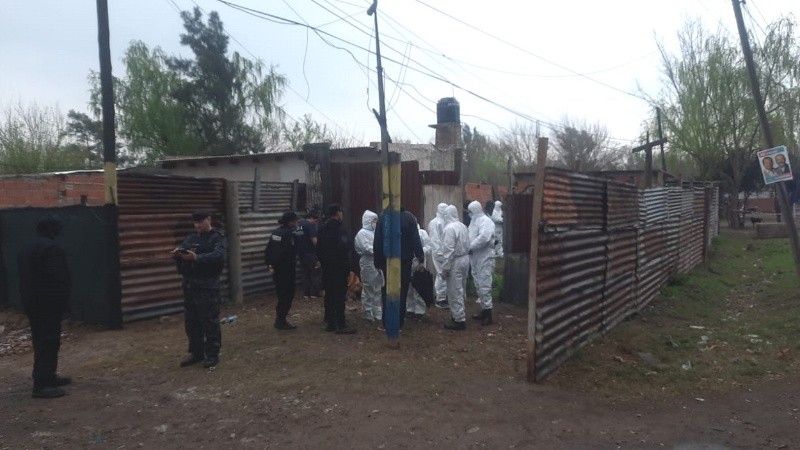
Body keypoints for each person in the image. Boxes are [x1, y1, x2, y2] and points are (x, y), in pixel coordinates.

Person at [17, 214, 72, 398]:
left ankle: (49, 377)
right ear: (51, 229)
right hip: (48, 304)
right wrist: (64, 303)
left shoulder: (27, 247)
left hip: (32, 303)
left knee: (41, 340)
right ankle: (42, 385)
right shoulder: (52, 248)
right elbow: (58, 278)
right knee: (48, 341)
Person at [173, 211, 227, 369]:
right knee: (191, 322)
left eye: (200, 222)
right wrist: (178, 253)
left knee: (210, 321)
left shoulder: (218, 238)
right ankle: (196, 353)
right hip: (190, 285)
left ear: (209, 220)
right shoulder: (191, 238)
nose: (197, 225)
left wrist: (197, 258)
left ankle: (212, 354)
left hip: (207, 285)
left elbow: (219, 256)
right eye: (195, 223)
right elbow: (183, 250)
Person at [374, 208, 425, 331]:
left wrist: (377, 261)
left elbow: (378, 240)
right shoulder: (409, 217)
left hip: (387, 261)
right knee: (402, 291)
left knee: (387, 291)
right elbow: (415, 239)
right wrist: (420, 257)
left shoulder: (383, 217)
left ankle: (387, 322)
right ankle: (399, 323)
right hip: (405, 260)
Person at [316, 204, 357, 334]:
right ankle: (341, 324)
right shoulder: (340, 229)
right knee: (339, 296)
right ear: (338, 213)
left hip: (327, 267)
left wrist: (324, 261)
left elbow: (318, 248)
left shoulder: (322, 228)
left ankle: (330, 322)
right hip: (339, 267)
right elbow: (345, 247)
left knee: (329, 294)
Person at [435, 205, 470, 330]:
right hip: (465, 259)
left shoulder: (449, 228)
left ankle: (459, 319)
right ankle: (459, 314)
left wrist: (445, 268)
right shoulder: (462, 226)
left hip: (455, 261)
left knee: (454, 291)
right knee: (461, 288)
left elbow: (448, 250)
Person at [264, 211, 299, 330]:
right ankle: (281, 320)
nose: (297, 223)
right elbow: (286, 252)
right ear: (291, 222)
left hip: (276, 269)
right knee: (288, 294)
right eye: (295, 221)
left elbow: (269, 249)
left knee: (281, 293)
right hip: (286, 269)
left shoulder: (276, 232)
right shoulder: (290, 234)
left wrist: (270, 265)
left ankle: (280, 318)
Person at [467, 200, 496, 326]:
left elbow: (484, 238)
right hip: (475, 257)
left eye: (470, 211)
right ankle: (484, 310)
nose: (469, 213)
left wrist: (470, 246)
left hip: (485, 257)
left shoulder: (486, 221)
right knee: (478, 284)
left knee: (484, 284)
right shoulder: (474, 221)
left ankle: (488, 314)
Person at [354, 210, 382, 322]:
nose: (376, 222)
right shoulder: (362, 233)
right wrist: (378, 250)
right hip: (367, 261)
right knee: (369, 287)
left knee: (378, 287)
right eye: (374, 220)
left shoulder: (376, 232)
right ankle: (367, 311)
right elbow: (366, 248)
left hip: (377, 262)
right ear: (368, 220)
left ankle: (377, 311)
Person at [406, 222, 432, 320]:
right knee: (408, 288)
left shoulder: (422, 233)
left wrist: (419, 251)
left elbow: (429, 247)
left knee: (419, 287)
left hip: (418, 263)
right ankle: (410, 309)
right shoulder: (405, 232)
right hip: (407, 262)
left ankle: (419, 311)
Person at [295, 210, 322, 299]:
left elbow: (297, 238)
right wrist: (320, 252)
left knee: (305, 272)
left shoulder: (299, 226)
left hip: (301, 253)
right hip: (311, 253)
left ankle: (306, 293)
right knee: (315, 271)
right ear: (311, 218)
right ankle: (314, 293)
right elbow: (314, 240)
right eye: (315, 221)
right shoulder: (309, 226)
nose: (315, 223)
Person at [427, 203, 449, 309]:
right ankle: (440, 299)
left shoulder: (443, 221)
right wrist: (440, 253)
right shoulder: (435, 222)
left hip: (443, 252)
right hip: (439, 252)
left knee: (443, 274)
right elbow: (435, 239)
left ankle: (441, 296)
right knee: (442, 274)